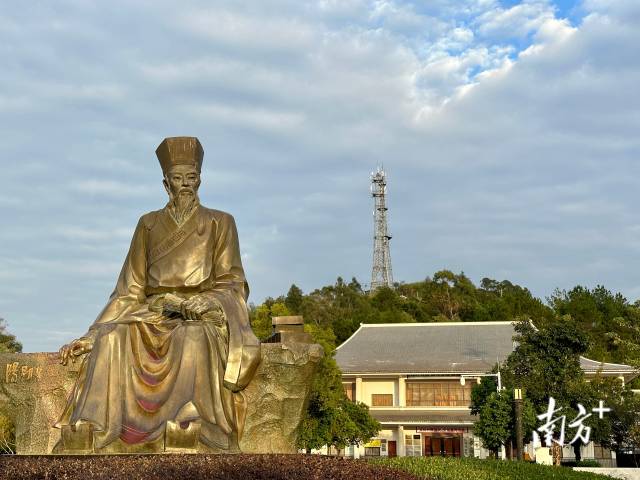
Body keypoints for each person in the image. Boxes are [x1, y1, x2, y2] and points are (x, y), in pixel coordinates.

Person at [55, 137, 260, 452]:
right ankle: (94, 427)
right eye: (178, 179)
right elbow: (129, 289)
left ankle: (193, 424)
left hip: (198, 314)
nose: (185, 185)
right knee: (112, 337)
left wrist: (207, 301)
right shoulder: (148, 224)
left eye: (191, 178)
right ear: (166, 184)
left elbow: (232, 281)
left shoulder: (220, 222)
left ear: (200, 180)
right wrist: (92, 333)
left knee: (193, 338)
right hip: (152, 310)